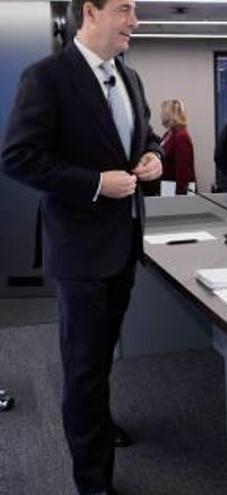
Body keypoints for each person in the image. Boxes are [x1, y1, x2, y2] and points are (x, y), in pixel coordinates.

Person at [1, 0, 163, 492]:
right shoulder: (46, 77)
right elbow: (18, 157)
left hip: (123, 245)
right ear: (90, 12)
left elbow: (145, 136)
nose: (135, 21)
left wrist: (153, 156)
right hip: (79, 252)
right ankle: (93, 481)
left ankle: (97, 424)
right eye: (125, 9)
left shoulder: (130, 78)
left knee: (100, 356)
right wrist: (94, 182)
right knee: (83, 367)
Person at [159, 98, 194, 195]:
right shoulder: (168, 135)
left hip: (175, 190)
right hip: (167, 188)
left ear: (168, 114)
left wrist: (180, 195)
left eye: (162, 112)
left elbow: (183, 170)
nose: (160, 115)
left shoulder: (181, 137)